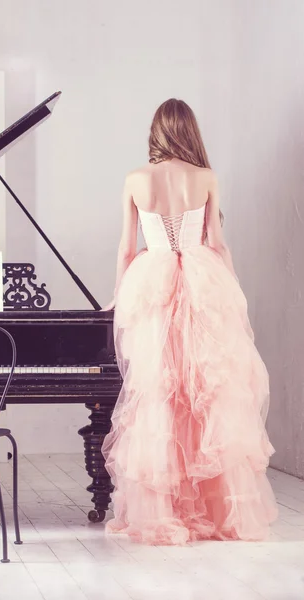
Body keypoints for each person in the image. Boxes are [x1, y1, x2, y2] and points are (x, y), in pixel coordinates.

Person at [101, 99, 278, 545]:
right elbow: (216, 242)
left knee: (160, 392)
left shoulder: (136, 179)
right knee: (207, 394)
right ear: (189, 131)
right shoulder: (206, 177)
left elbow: (126, 248)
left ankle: (164, 508)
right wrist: (231, 289)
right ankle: (215, 511)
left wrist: (118, 298)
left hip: (153, 283)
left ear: (157, 132)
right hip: (203, 282)